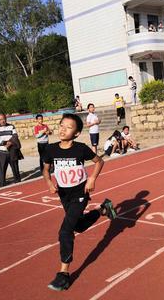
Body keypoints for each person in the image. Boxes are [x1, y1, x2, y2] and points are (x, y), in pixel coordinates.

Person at [42, 113, 116, 291]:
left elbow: (99, 162)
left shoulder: (81, 148)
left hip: (80, 193)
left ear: (76, 133)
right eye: (61, 125)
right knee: (79, 226)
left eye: (68, 127)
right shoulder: (51, 150)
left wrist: (92, 179)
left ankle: (63, 275)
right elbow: (45, 169)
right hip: (64, 194)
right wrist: (49, 182)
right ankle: (102, 209)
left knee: (65, 231)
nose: (63, 129)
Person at [0, 113, 21, 186]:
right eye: (0, 119)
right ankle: (2, 184)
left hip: (12, 150)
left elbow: (15, 136)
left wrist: (10, 143)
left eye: (3, 119)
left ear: (6, 118)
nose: (2, 121)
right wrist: (5, 143)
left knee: (15, 167)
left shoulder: (11, 126)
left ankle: (18, 181)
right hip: (2, 152)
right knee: (2, 168)